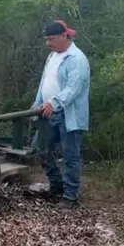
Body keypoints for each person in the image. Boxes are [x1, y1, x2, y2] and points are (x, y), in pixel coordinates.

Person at [32, 20, 90, 208]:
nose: (48, 43)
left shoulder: (76, 59)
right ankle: (56, 184)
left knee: (70, 155)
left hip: (68, 114)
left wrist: (54, 103)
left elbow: (73, 88)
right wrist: (38, 102)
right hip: (48, 112)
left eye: (51, 39)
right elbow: (45, 82)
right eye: (46, 40)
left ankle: (70, 196)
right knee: (41, 148)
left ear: (65, 36)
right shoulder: (52, 56)